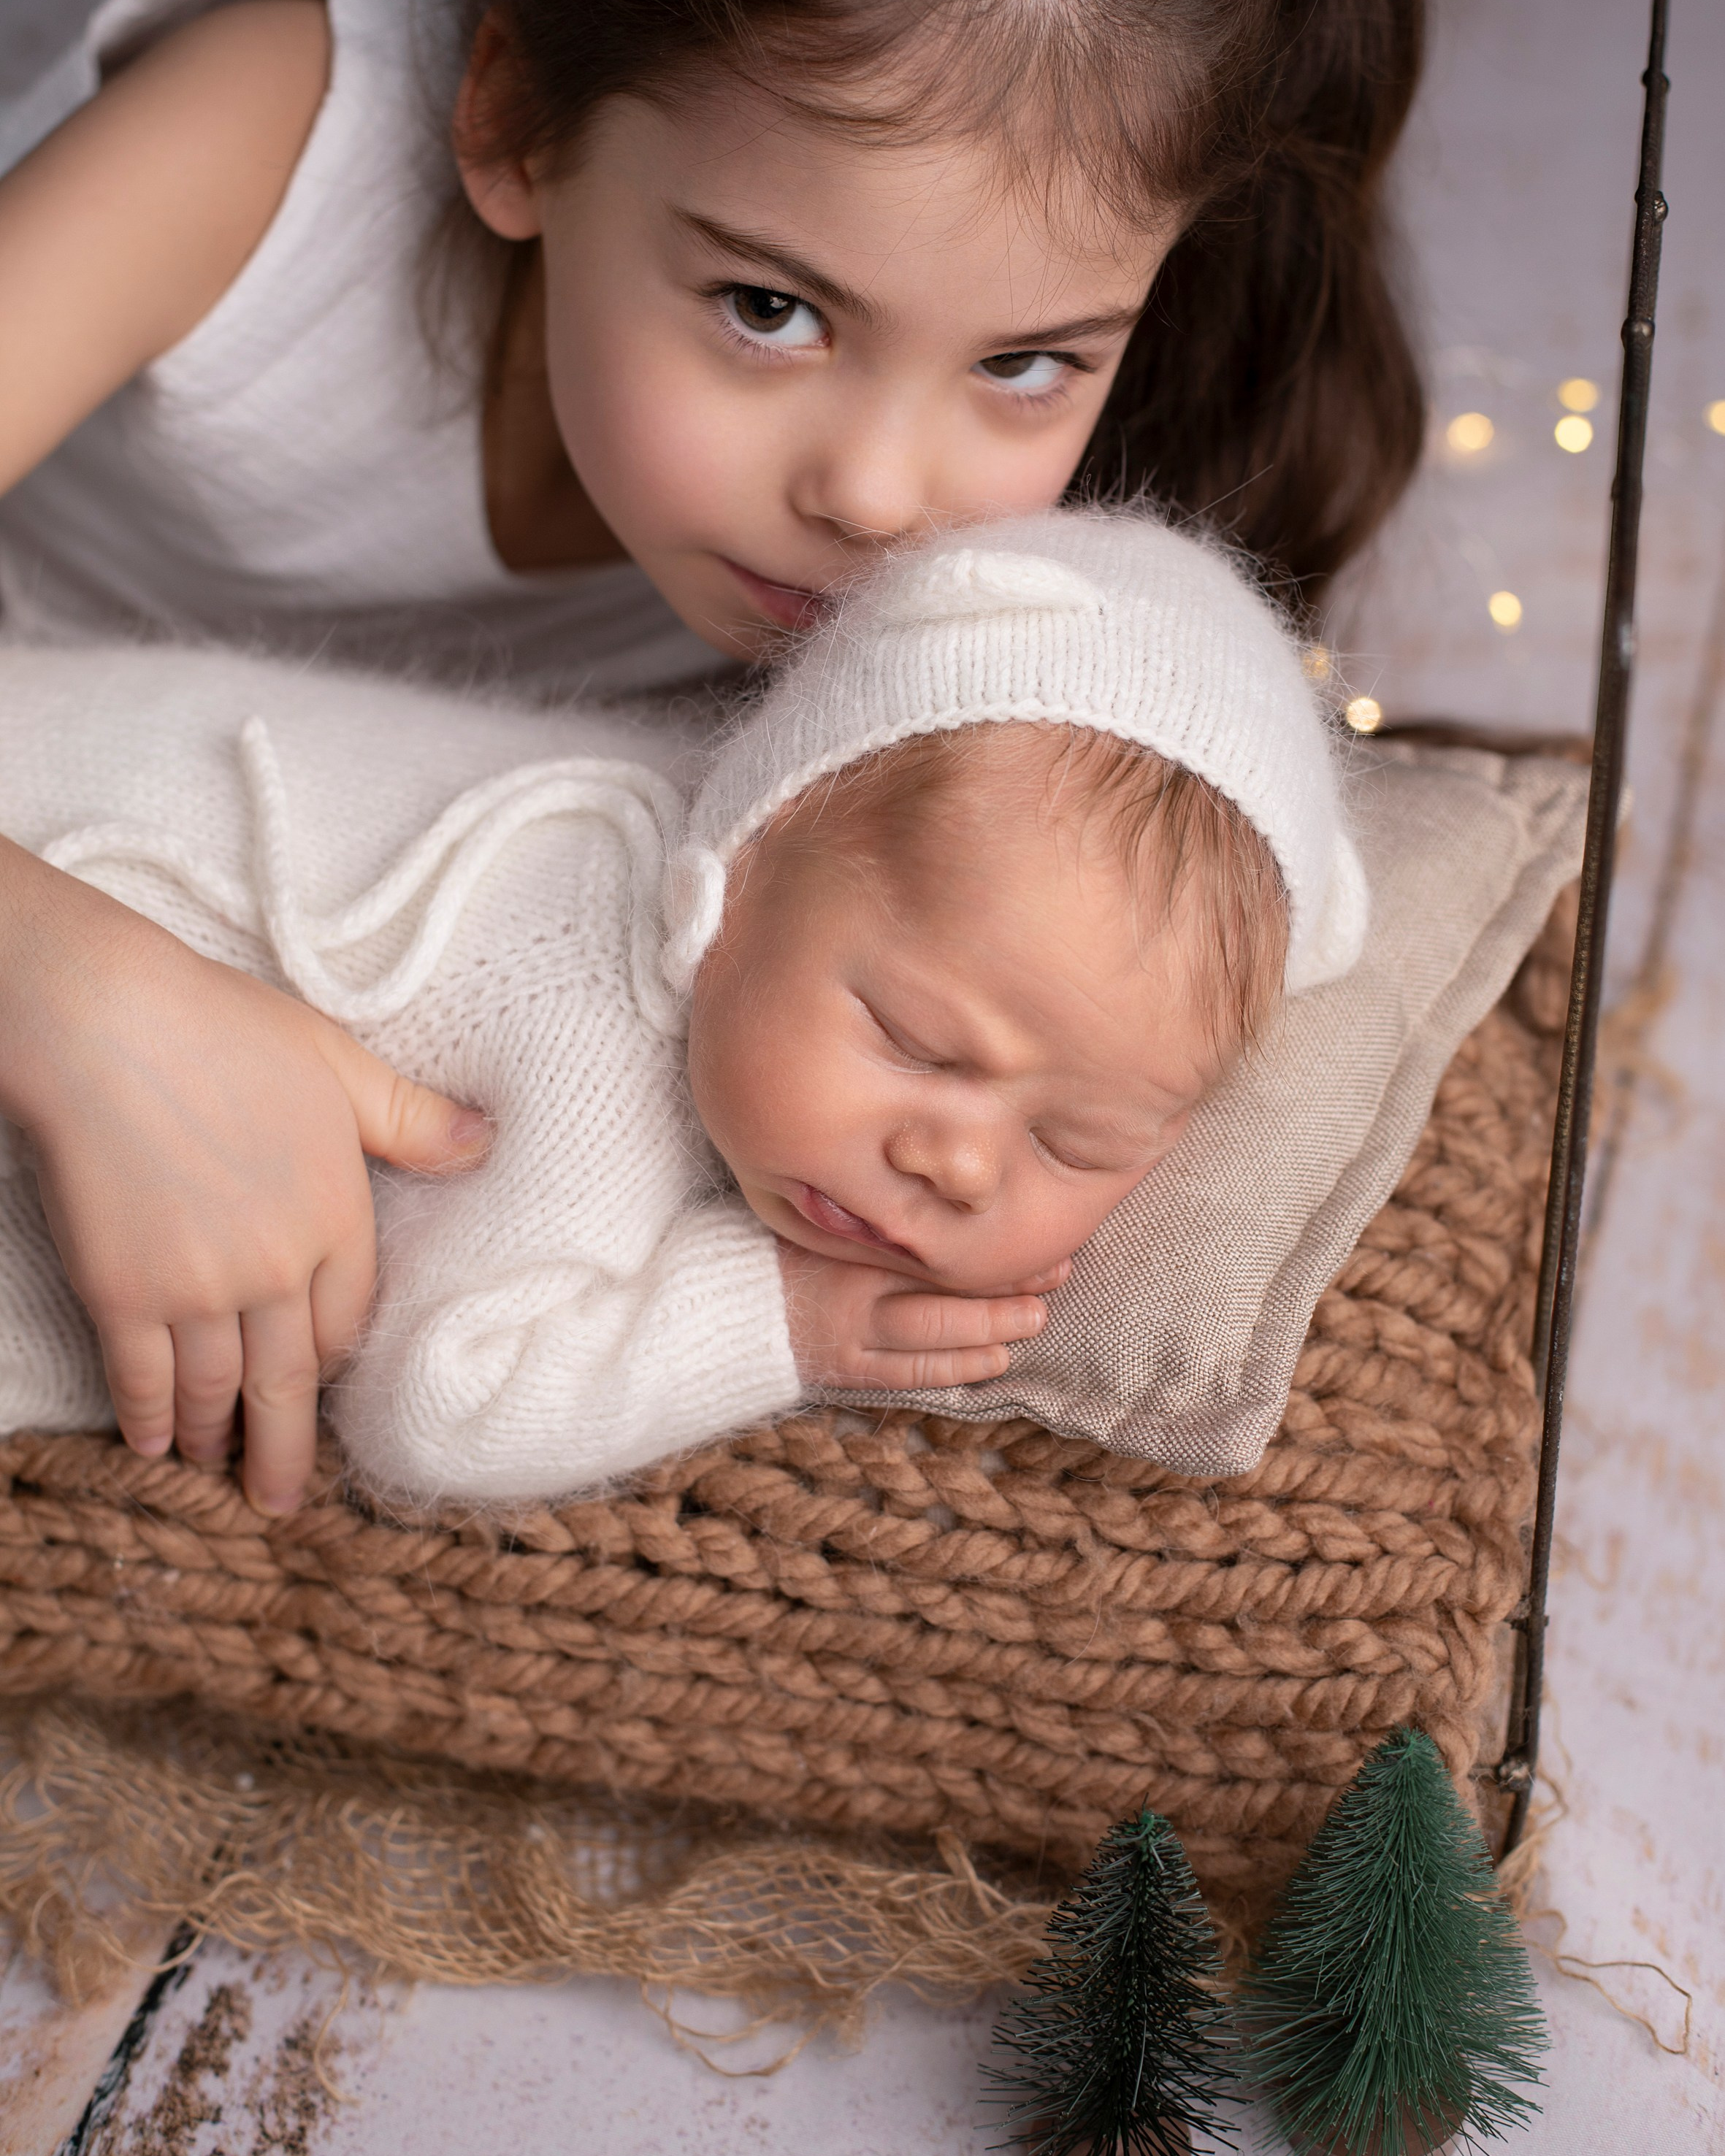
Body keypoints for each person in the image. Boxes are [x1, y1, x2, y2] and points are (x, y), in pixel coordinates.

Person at [0, 0, 1420, 1508]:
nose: (882, 494)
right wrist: (87, 998)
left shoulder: (969, 629)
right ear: (515, 121)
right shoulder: (268, 143)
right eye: (769, 307)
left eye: (1024, 362)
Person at [0, 513, 1363, 1505]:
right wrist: (778, 1318)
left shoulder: (806, 881)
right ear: (736, 870)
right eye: (914, 1044)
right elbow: (444, 1411)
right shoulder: (589, 1012)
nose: (952, 1161)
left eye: (1076, 1141)